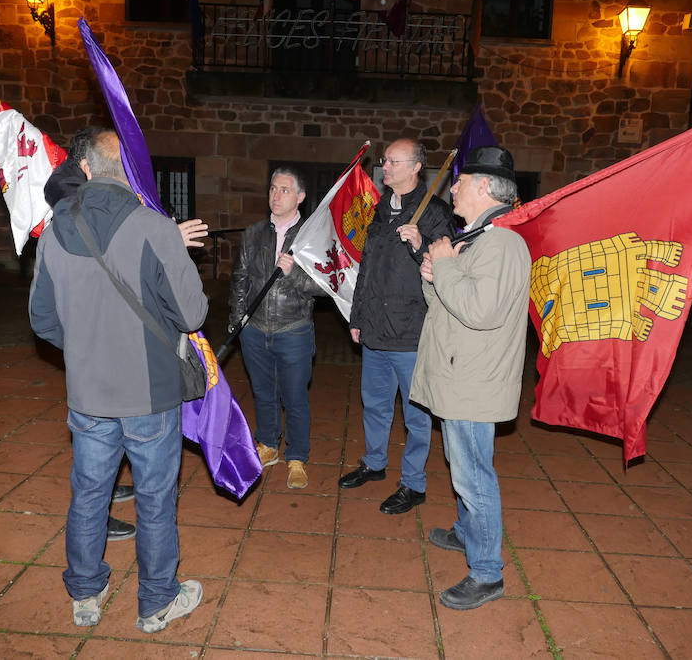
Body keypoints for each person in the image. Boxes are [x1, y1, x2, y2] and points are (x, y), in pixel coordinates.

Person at [30, 130, 207, 632]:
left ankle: (85, 595)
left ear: (84, 170)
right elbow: (193, 314)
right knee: (155, 498)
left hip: (87, 394)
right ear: (127, 170)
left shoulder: (55, 228)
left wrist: (88, 349)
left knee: (88, 494)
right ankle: (155, 603)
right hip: (149, 394)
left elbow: (42, 320)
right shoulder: (154, 227)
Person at [410, 146, 530, 610]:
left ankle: (486, 574)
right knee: (463, 468)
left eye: (460, 181)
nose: (452, 188)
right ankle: (468, 533)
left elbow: (481, 312)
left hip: (475, 382)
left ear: (484, 187)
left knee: (474, 475)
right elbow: (448, 302)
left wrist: (443, 264)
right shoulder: (479, 238)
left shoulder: (501, 243)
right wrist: (433, 271)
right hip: (462, 377)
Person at [339, 139, 454, 514]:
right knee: (374, 405)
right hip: (375, 329)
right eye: (385, 160)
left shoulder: (435, 213)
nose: (384, 166)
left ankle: (414, 484)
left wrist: (421, 244)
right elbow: (367, 269)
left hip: (412, 333)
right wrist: (358, 318)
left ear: (416, 167)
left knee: (416, 416)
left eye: (392, 161)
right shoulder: (379, 212)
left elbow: (449, 271)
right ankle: (374, 463)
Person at [230, 167, 324, 490]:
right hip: (254, 330)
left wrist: (294, 273)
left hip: (293, 329)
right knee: (262, 393)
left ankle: (297, 457)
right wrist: (239, 320)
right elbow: (240, 279)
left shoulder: (312, 238)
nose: (276, 195)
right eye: (272, 188)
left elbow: (324, 285)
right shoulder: (254, 233)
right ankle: (268, 444)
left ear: (300, 197)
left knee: (295, 397)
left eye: (284, 190)